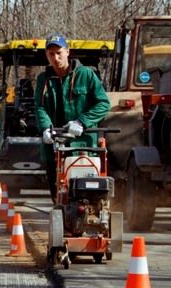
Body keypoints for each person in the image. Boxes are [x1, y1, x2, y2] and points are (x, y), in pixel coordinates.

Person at [34, 33, 110, 204]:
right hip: (55, 144)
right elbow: (39, 106)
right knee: (58, 189)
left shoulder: (86, 74)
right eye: (51, 54)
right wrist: (46, 128)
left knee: (86, 186)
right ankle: (61, 213)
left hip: (83, 143)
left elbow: (103, 104)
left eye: (59, 52)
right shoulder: (43, 79)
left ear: (68, 52)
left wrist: (81, 122)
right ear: (47, 55)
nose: (56, 57)